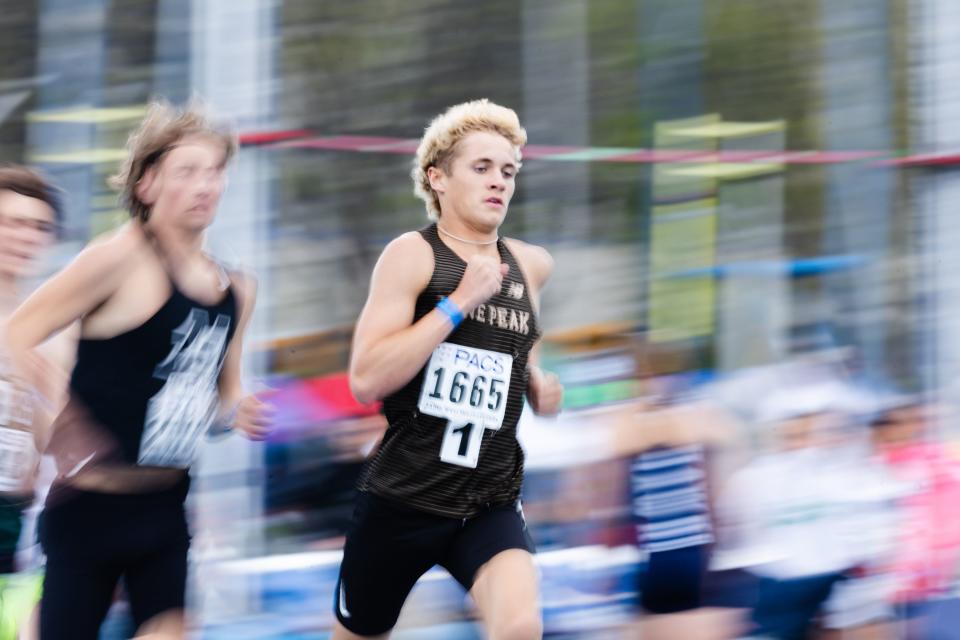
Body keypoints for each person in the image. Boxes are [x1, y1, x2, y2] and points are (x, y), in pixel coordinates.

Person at [4, 101, 270, 640]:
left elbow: (226, 392)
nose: (206, 185)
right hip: (89, 510)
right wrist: (68, 417)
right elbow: (13, 334)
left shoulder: (237, 287)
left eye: (216, 171)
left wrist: (242, 411)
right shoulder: (116, 258)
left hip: (166, 508)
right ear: (147, 184)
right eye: (188, 171)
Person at [333, 99, 563, 640]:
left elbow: (517, 354)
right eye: (481, 168)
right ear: (437, 178)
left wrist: (537, 384)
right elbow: (366, 379)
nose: (498, 182)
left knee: (520, 627)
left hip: (488, 498)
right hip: (403, 498)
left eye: (508, 171)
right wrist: (457, 303)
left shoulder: (530, 264)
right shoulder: (412, 255)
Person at [0, 166, 68, 640]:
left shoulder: (51, 334)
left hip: (20, 526)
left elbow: (60, 443)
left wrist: (43, 394)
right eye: (12, 222)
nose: (25, 237)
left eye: (38, 227)